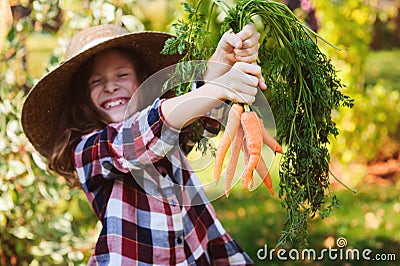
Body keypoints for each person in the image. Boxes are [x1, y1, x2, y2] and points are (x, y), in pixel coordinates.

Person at [22, 23, 266, 265]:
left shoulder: (167, 133)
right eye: (95, 81)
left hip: (196, 253)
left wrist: (221, 61)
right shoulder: (87, 150)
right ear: (83, 98)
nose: (110, 86)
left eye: (122, 75)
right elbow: (138, 136)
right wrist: (217, 89)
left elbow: (197, 119)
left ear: (142, 82)